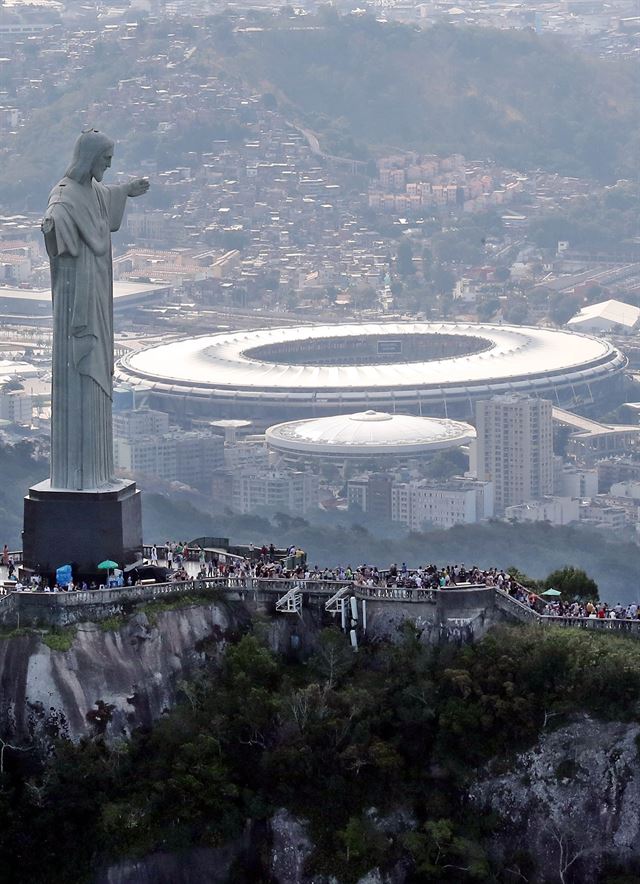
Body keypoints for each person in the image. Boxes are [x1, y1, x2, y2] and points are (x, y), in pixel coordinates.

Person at [42, 129, 149, 489]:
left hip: (98, 293)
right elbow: (56, 223)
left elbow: (105, 198)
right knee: (79, 378)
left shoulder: (91, 191)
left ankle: (98, 474)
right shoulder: (64, 197)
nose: (109, 164)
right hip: (78, 299)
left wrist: (126, 191)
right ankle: (77, 477)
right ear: (90, 157)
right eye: (105, 159)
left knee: (99, 377)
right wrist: (51, 227)